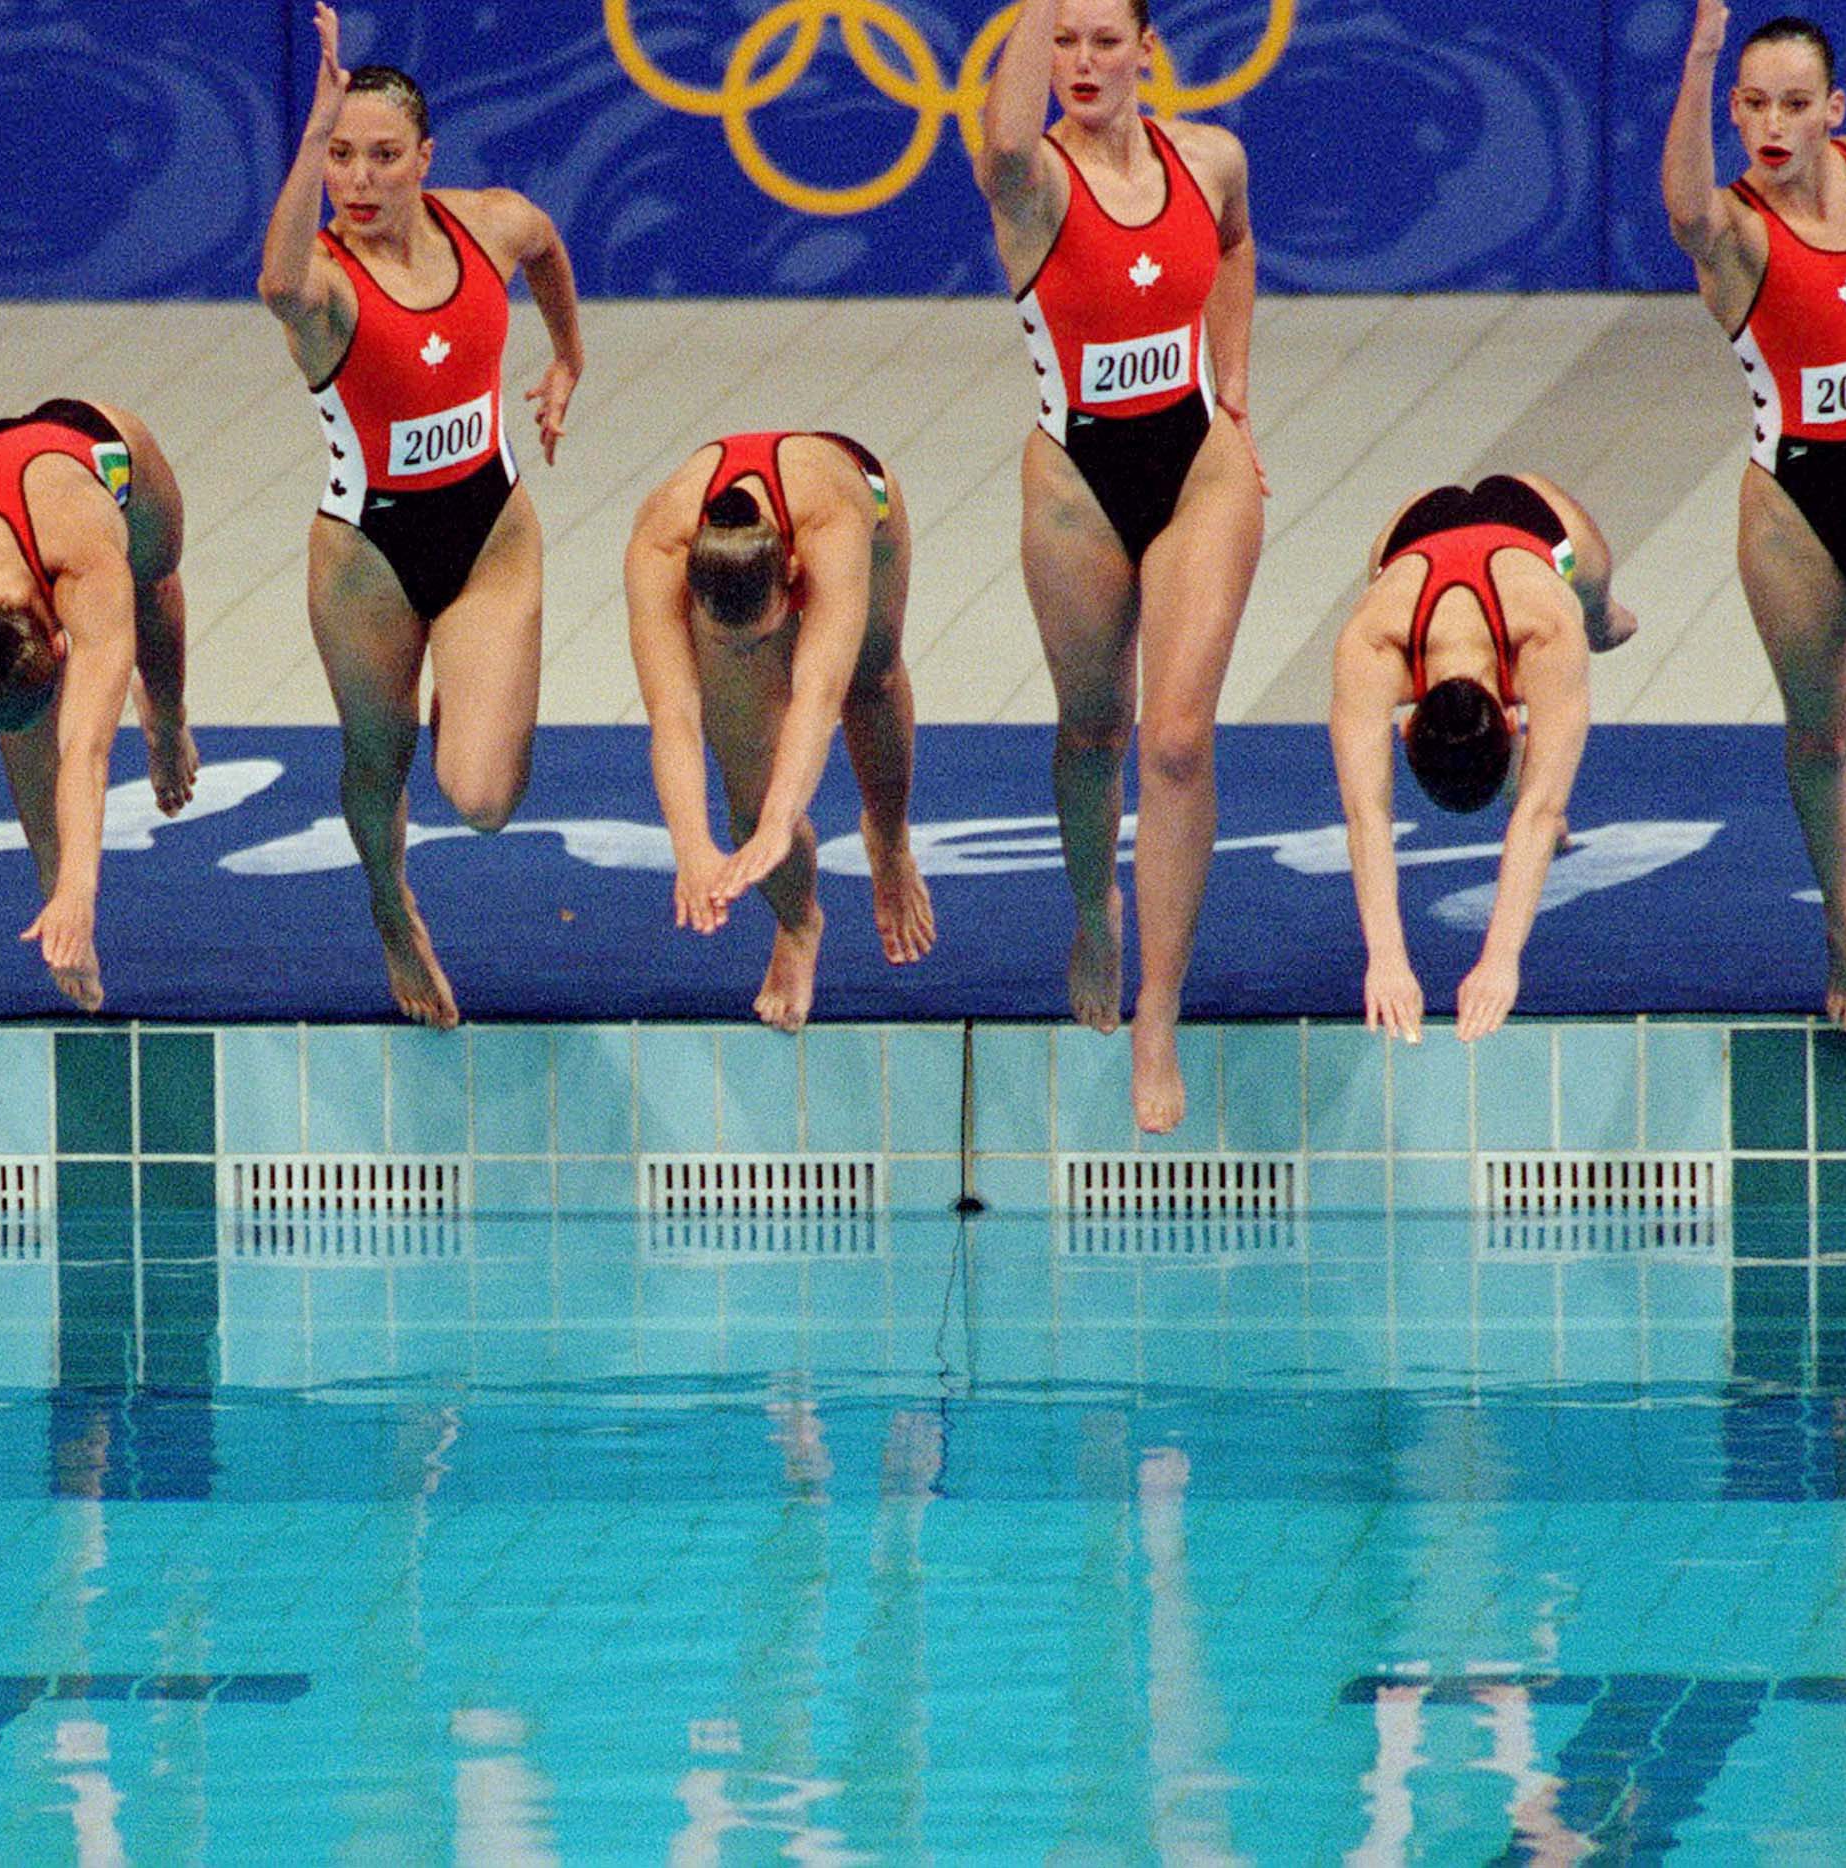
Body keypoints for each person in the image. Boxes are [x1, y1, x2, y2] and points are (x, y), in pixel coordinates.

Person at [256, 4, 587, 1029]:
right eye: (341, 156)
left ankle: (469, 681)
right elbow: (272, 283)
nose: (357, 179)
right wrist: (308, 133)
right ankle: (390, 905)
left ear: (424, 158)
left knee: (483, 800)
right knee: (374, 760)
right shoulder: (326, 285)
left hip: (490, 535)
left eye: (381, 156)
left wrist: (568, 357)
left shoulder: (487, 222)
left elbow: (544, 245)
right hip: (368, 559)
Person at [973, 0, 1264, 1131]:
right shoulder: (1034, 181)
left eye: (1105, 40)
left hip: (1200, 464)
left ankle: (1158, 1008)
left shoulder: (1212, 157)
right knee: (1095, 726)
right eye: (1064, 40)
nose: (1082, 64)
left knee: (1179, 739)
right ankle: (1094, 910)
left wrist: (1234, 388)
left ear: (1148, 47)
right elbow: (999, 141)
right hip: (1076, 481)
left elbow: (1236, 244)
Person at [1663, 2, 1846, 1036]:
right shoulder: (1738, 232)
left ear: (1833, 110)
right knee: (1821, 730)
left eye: (1796, 105)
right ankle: (1842, 916)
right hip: (1791, 501)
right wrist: (1702, 54)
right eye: (1753, 106)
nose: (1773, 126)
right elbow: (1684, 212)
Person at [0, 399, 197, 1011]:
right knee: (28, 727)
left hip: (95, 440)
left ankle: (167, 718)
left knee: (154, 582)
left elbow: (87, 752)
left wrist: (83, 891)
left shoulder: (87, 566)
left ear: (60, 642)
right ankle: (47, 881)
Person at [626, 431, 936, 1030]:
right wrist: (691, 845)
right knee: (751, 789)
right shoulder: (659, 546)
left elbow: (818, 700)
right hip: (742, 546)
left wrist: (778, 827)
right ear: (693, 596)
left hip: (863, 497)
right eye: (727, 644)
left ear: (792, 578)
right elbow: (674, 716)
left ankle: (891, 842)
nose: (749, 654)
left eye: (763, 639)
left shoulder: (829, 527)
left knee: (871, 681)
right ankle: (799, 924)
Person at [1329, 474, 1637, 1042]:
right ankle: (1589, 626)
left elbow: (1368, 814)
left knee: (1595, 618)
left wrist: (1498, 959)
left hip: (1526, 531)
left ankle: (1604, 617)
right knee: (1556, 704)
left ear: (1405, 727)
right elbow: (1365, 816)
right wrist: (1388, 959)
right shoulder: (1379, 642)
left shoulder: (1375, 643)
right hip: (1444, 528)